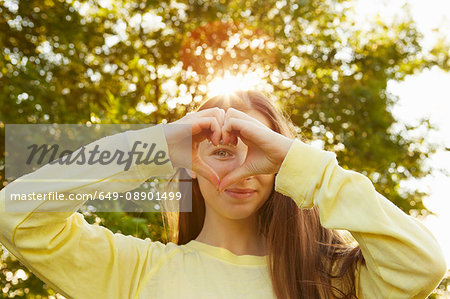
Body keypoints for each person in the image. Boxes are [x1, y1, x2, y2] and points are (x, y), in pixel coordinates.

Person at [0, 90, 447, 299]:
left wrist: (302, 166)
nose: (240, 168)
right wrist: (156, 147)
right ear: (190, 166)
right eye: (221, 151)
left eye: (261, 151)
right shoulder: (136, 272)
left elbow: (423, 266)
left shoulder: (335, 280)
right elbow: (15, 213)